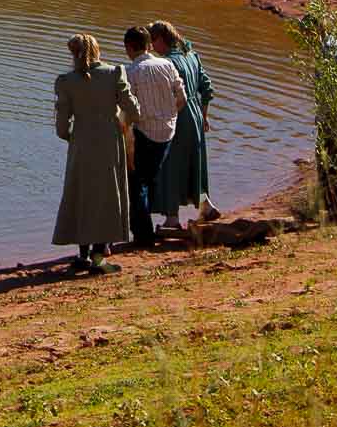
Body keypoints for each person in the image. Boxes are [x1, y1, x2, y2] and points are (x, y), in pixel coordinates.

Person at [52, 32, 141, 275]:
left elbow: (61, 127)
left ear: (73, 54)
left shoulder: (65, 81)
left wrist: (73, 137)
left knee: (81, 194)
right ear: (98, 50)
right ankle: (99, 257)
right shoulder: (114, 73)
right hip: (109, 142)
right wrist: (121, 123)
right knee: (107, 195)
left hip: (81, 144)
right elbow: (133, 109)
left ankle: (82, 255)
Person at [150, 20, 221, 230]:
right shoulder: (192, 56)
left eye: (153, 41)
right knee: (195, 161)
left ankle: (172, 218)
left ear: (161, 39)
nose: (153, 47)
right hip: (196, 113)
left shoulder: (168, 63)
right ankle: (206, 205)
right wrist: (204, 116)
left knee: (170, 166)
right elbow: (207, 88)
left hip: (179, 116)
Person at [122, 26, 186, 248]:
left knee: (137, 183)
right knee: (148, 180)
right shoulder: (167, 64)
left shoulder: (131, 72)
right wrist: (169, 117)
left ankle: (143, 235)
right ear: (149, 44)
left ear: (129, 48)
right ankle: (144, 229)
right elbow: (182, 97)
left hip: (145, 133)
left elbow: (129, 111)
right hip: (167, 132)